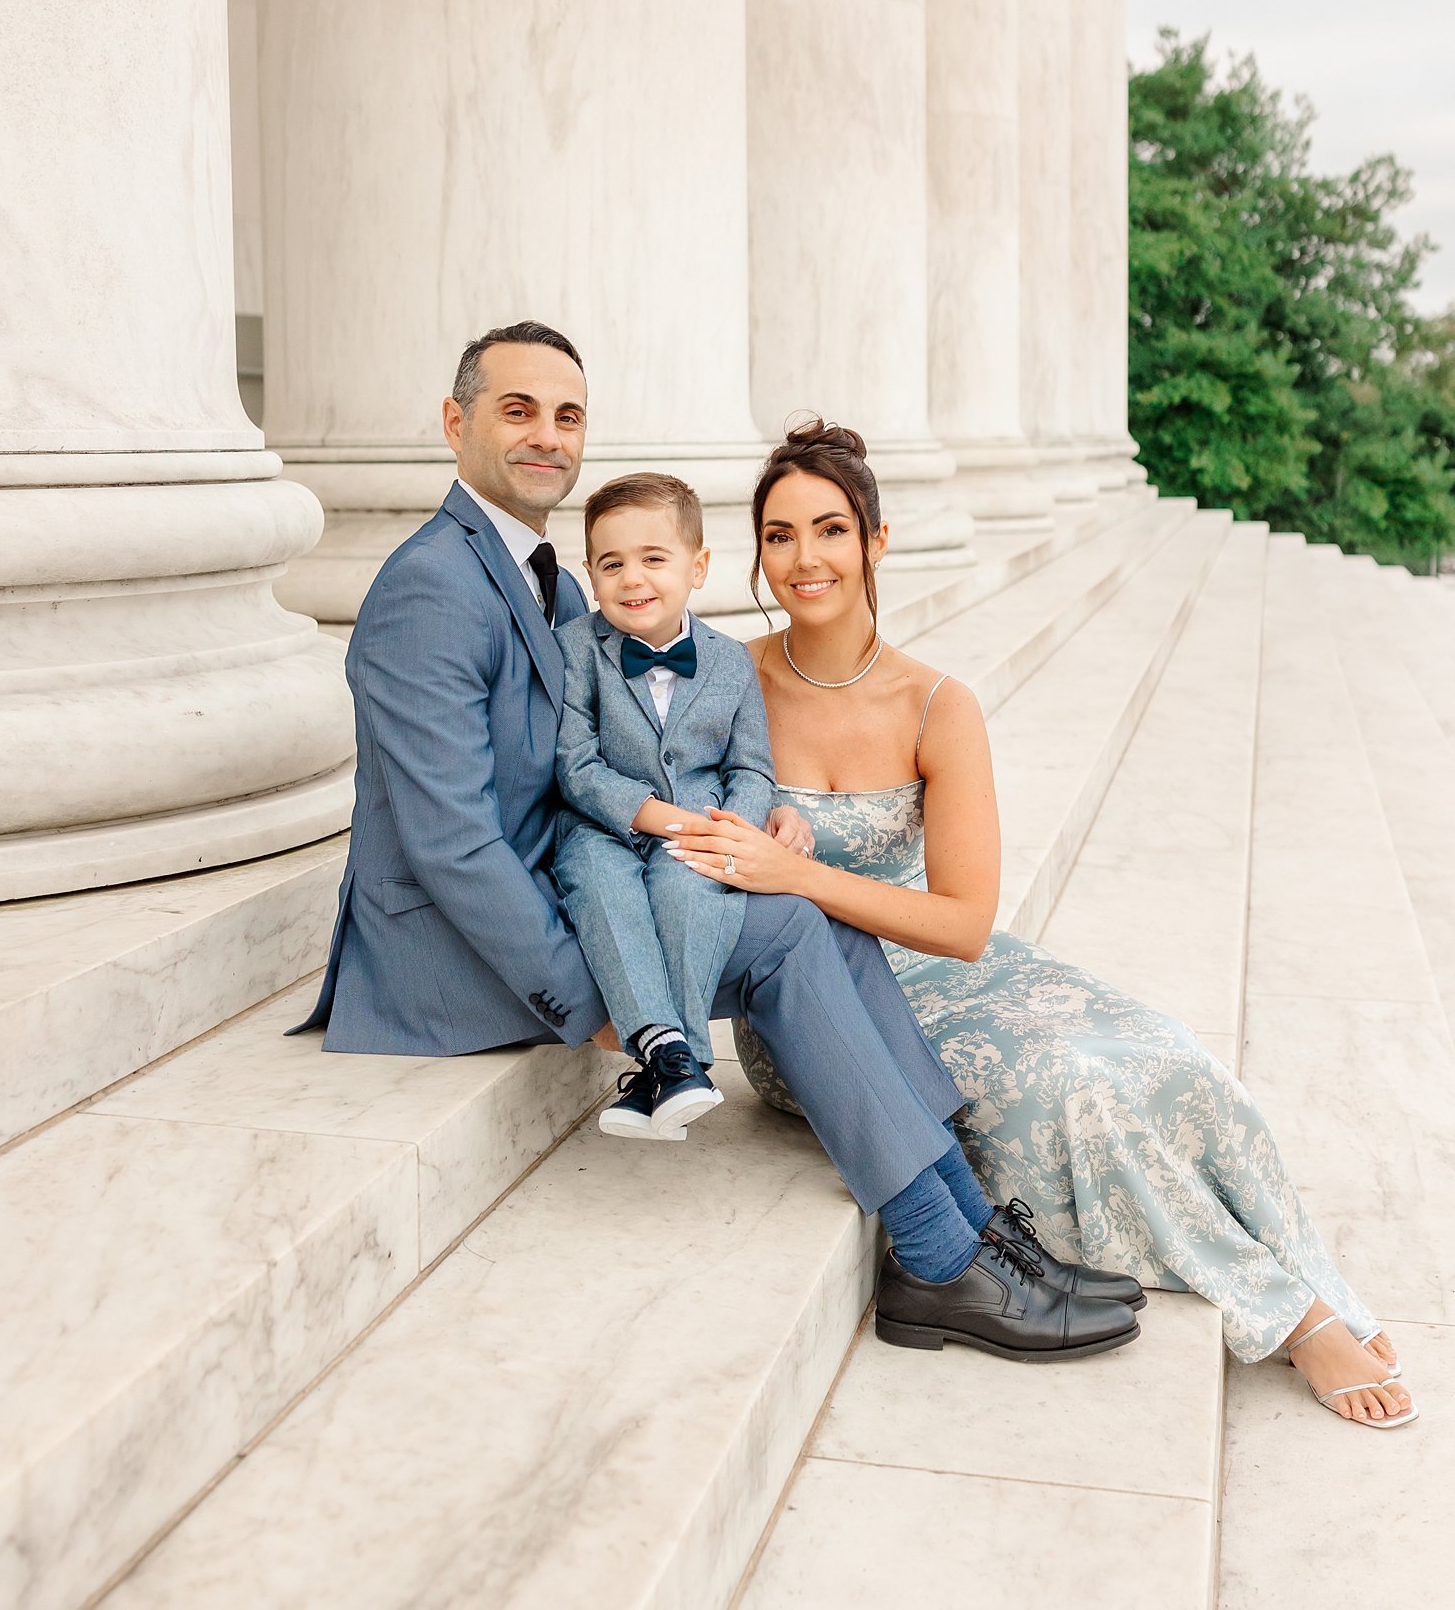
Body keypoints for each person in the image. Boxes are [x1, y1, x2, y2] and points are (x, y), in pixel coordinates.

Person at [291, 322, 1139, 1362]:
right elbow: (450, 844)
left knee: (818, 919)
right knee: (790, 923)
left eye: (568, 415)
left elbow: (605, 763)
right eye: (518, 410)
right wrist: (600, 997)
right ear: (455, 422)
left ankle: (966, 1231)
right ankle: (935, 1249)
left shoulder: (555, 580)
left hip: (577, 878)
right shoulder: (430, 585)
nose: (547, 436)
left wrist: (757, 819)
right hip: (450, 951)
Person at [666, 420, 1418, 1428]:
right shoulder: (727, 681)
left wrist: (798, 875)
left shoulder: (938, 703)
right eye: (781, 535)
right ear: (758, 552)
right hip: (814, 1004)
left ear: (875, 543)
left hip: (940, 963)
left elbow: (966, 924)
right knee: (1074, 1088)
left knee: (1169, 1054)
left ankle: (1309, 1269)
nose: (806, 559)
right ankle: (1290, 1316)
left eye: (831, 530)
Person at [553, 473, 776, 1140]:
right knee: (600, 886)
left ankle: (664, 1069)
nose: (632, 579)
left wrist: (735, 831)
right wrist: (660, 818)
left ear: (698, 567)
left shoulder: (732, 663)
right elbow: (575, 763)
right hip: (603, 826)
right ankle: (677, 1057)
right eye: (612, 564)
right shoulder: (574, 650)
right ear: (590, 575)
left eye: (654, 558)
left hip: (704, 830)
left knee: (686, 890)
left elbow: (753, 767)